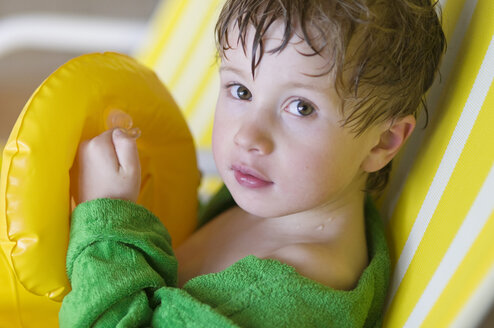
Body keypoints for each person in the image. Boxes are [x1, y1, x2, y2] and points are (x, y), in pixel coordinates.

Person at [59, 0, 445, 326]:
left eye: (301, 107)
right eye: (241, 90)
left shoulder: (292, 292)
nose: (247, 136)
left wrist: (108, 218)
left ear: (382, 142)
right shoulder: (281, 201)